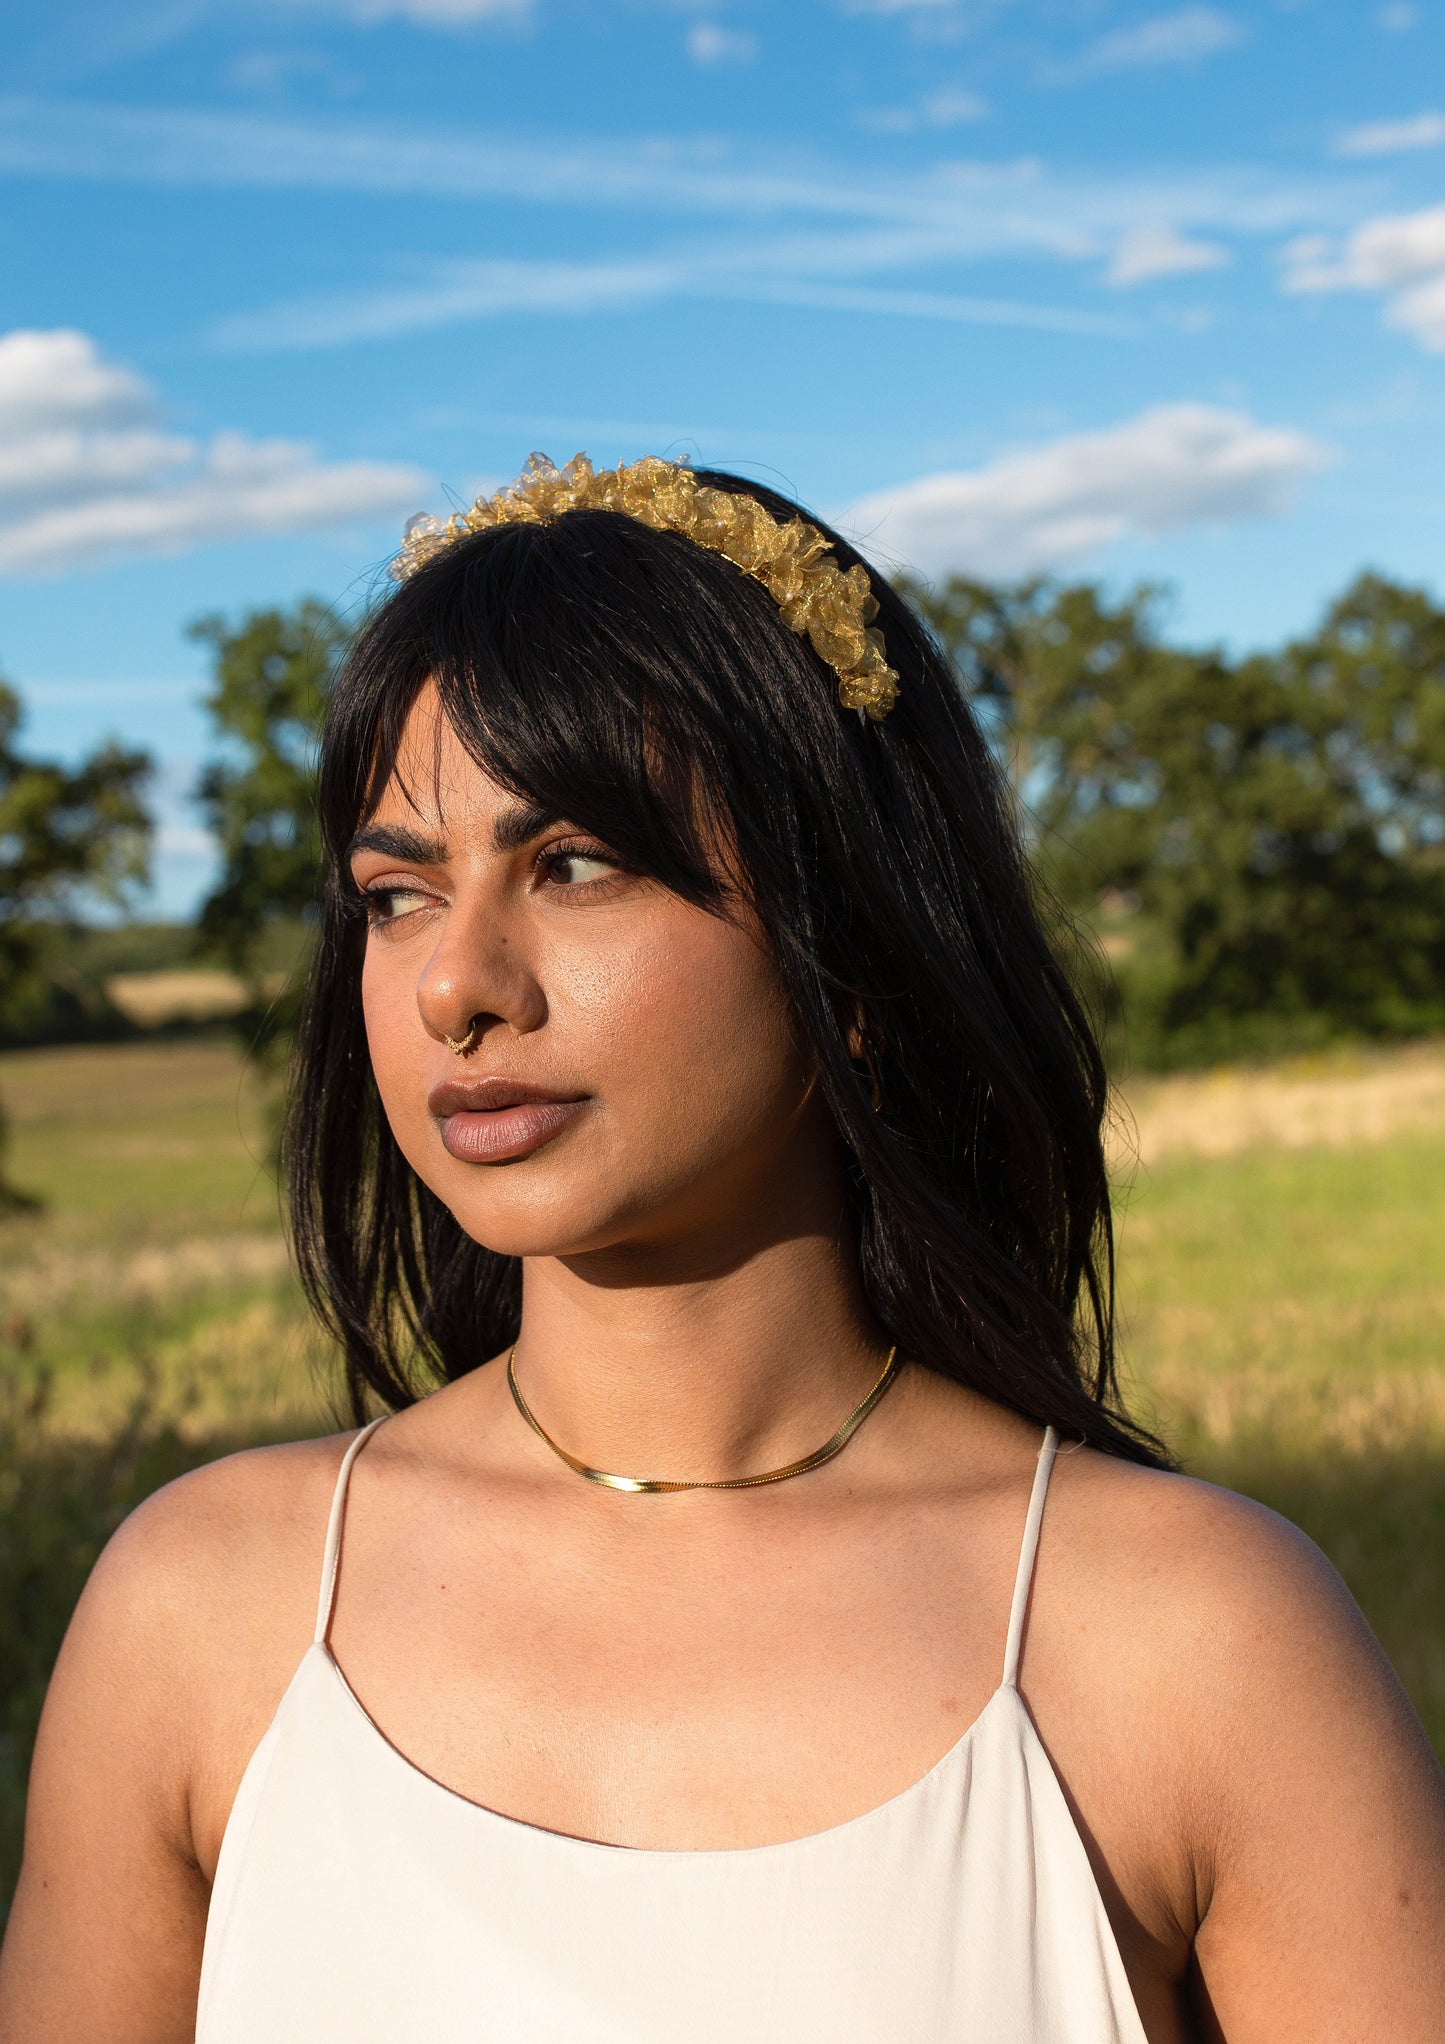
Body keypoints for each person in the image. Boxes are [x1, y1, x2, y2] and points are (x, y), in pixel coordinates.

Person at [1, 454, 1442, 2044]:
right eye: (396, 895)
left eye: (574, 868)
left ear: (856, 950)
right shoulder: (205, 1613)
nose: (451, 988)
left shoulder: (1192, 1639)